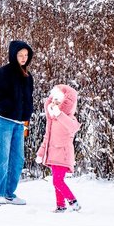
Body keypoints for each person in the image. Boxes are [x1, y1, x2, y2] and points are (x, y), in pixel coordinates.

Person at [0, 40, 34, 205]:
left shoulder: (27, 76)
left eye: (26, 55)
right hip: (4, 120)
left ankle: (9, 193)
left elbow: (28, 98)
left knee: (18, 158)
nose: (23, 58)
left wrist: (26, 112)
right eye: (20, 55)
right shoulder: (4, 72)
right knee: (3, 157)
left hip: (19, 123)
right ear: (13, 55)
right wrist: (8, 107)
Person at [35, 84, 81, 213]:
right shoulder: (51, 120)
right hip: (53, 155)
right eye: (54, 100)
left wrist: (59, 114)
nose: (55, 103)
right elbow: (47, 138)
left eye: (58, 101)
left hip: (63, 154)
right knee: (56, 182)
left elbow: (72, 127)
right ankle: (60, 205)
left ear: (65, 103)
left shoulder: (69, 119)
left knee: (57, 181)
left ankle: (73, 201)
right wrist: (41, 153)